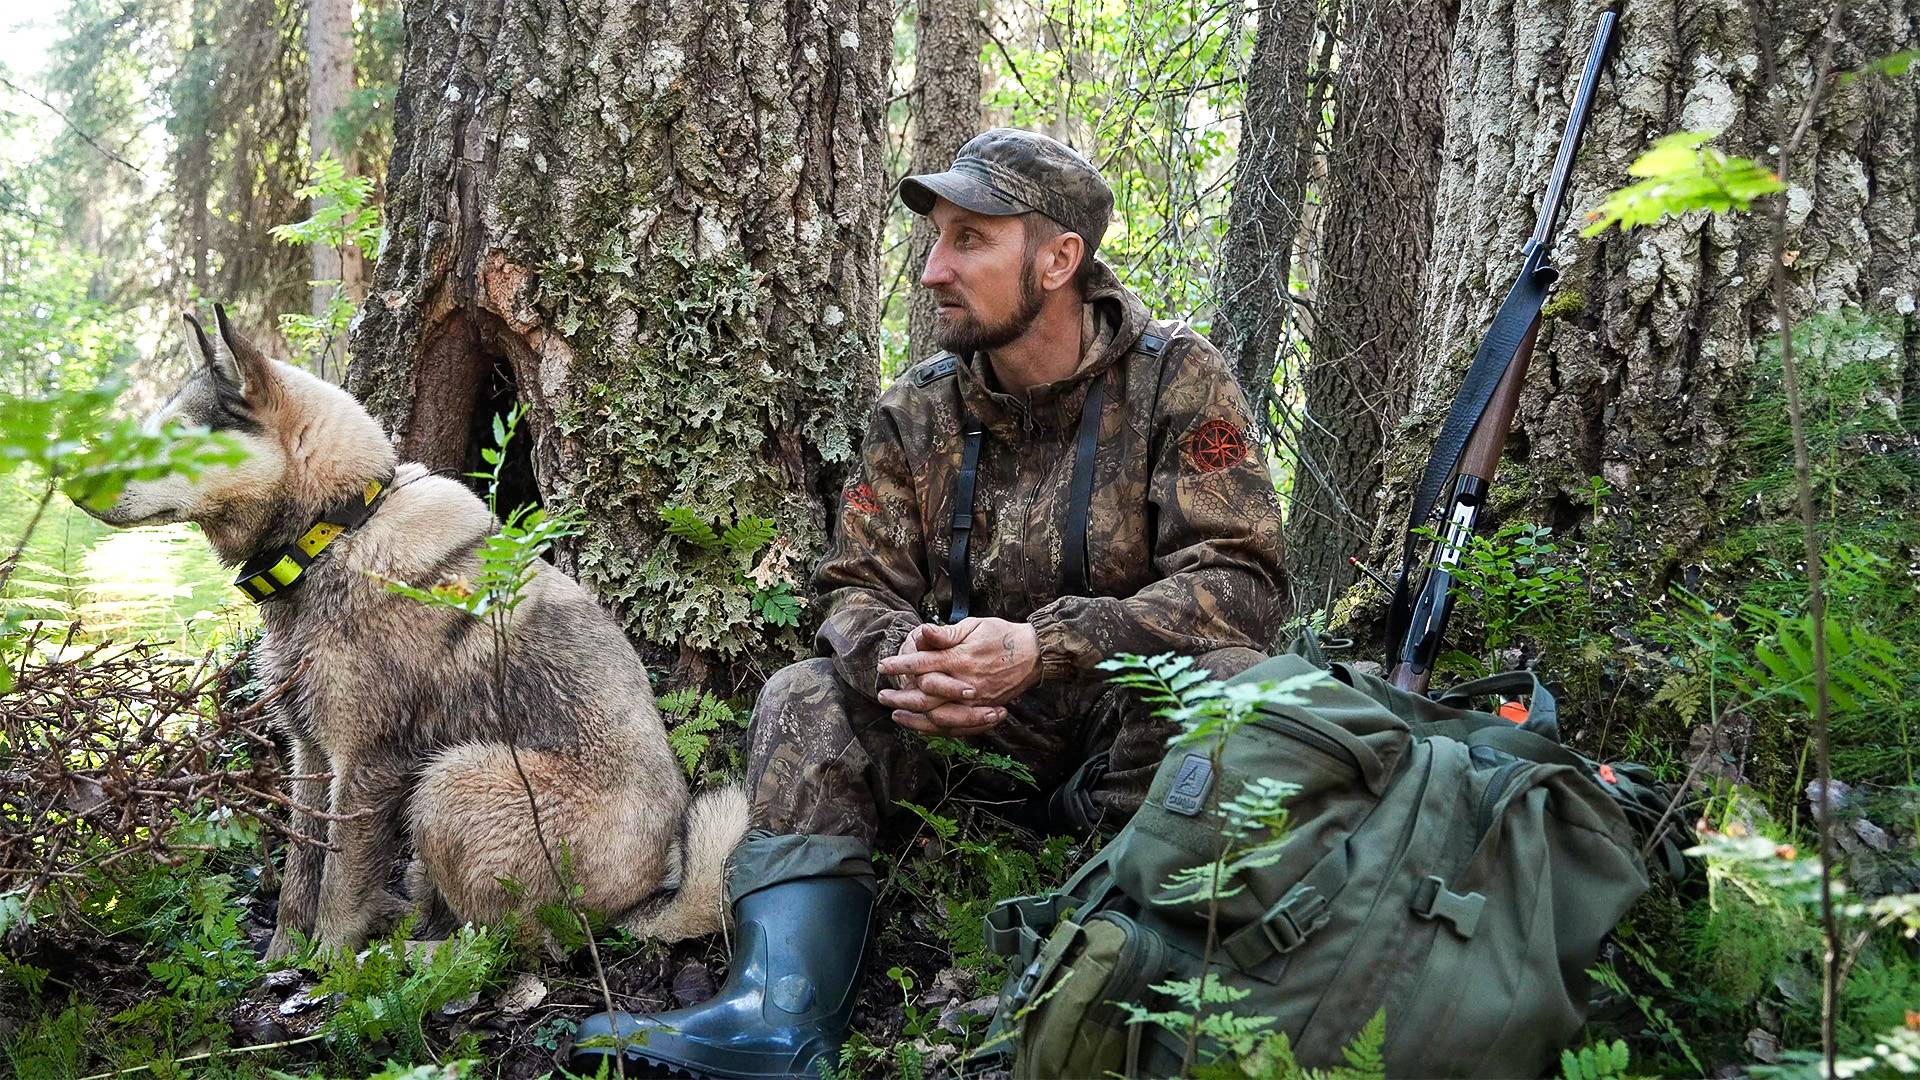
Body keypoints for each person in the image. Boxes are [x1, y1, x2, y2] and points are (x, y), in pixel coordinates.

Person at [575, 128, 1288, 1078]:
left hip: (1121, 748)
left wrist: (1046, 646)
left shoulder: (1176, 380)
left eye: (969, 239)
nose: (932, 270)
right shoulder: (918, 409)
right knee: (804, 695)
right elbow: (855, 588)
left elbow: (1244, 582)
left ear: (1059, 258)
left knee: (1229, 688)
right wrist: (910, 667)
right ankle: (774, 1018)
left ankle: (1133, 984)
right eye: (934, 237)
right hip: (959, 750)